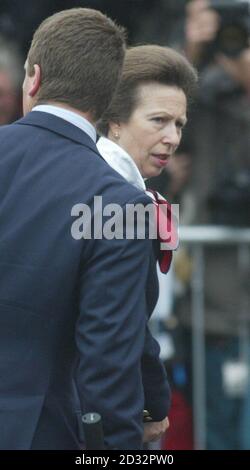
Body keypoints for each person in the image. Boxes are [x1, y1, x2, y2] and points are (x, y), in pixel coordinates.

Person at [0, 7, 160, 451]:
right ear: (107, 102)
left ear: (33, 78)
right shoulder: (121, 203)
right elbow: (109, 361)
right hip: (38, 430)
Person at [96, 44, 198, 445]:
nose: (172, 138)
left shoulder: (121, 188)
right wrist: (153, 403)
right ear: (115, 120)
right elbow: (116, 322)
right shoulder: (113, 196)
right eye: (159, 120)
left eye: (179, 124)